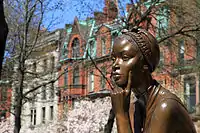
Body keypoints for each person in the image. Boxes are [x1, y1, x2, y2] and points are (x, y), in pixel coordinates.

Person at [110, 28, 196, 133]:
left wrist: (121, 116)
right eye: (113, 59)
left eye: (125, 57)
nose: (115, 65)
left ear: (145, 64)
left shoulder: (166, 106)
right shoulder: (134, 107)